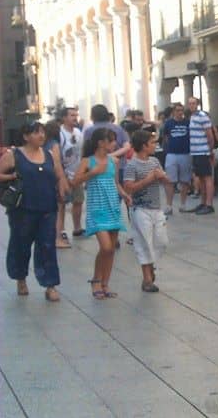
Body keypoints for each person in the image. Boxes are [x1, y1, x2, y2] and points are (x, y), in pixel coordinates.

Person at [0, 121, 69, 302]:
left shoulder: (49, 154)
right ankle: (20, 277)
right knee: (20, 245)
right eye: (36, 133)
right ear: (25, 136)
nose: (41, 136)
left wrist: (62, 191)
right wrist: (11, 176)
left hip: (47, 208)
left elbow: (59, 174)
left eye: (42, 132)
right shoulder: (14, 155)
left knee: (47, 246)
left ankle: (50, 285)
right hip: (23, 209)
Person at [72, 127, 132, 300]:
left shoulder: (113, 161)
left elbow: (116, 183)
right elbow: (74, 181)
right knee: (105, 247)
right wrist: (94, 172)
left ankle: (105, 283)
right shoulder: (87, 161)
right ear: (100, 142)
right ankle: (96, 280)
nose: (114, 144)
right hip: (97, 209)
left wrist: (124, 195)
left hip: (112, 206)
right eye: (111, 140)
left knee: (111, 249)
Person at [123, 130, 170, 293]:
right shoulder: (131, 165)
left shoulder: (155, 161)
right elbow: (128, 188)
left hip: (156, 208)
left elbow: (166, 180)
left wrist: (163, 177)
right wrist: (148, 180)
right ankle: (147, 278)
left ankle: (151, 265)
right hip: (140, 209)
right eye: (152, 143)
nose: (154, 146)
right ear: (143, 146)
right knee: (144, 243)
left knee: (161, 241)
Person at [57, 106, 86, 242]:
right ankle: (61, 230)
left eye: (76, 114)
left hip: (77, 173)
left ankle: (77, 228)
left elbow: (82, 152)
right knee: (61, 203)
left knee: (78, 201)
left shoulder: (78, 132)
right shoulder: (60, 133)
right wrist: (62, 175)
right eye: (72, 115)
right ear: (64, 118)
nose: (75, 117)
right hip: (63, 175)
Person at [186, 96, 216, 215]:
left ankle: (209, 204)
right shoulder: (192, 117)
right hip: (195, 151)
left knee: (207, 177)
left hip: (203, 151)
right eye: (190, 103)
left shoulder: (202, 116)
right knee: (201, 178)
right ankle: (203, 202)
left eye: (193, 103)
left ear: (197, 104)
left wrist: (210, 151)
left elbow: (210, 135)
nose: (191, 105)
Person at [161, 103, 191, 215]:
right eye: (178, 110)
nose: (180, 112)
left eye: (181, 110)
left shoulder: (187, 123)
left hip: (185, 153)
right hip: (172, 154)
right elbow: (165, 137)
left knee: (185, 180)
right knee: (169, 180)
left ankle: (183, 204)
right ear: (173, 111)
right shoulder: (168, 123)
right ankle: (169, 205)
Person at [43, 120, 69, 249]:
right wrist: (62, 182)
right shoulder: (54, 144)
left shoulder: (43, 145)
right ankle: (57, 238)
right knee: (59, 210)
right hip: (55, 180)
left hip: (44, 180)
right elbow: (57, 164)